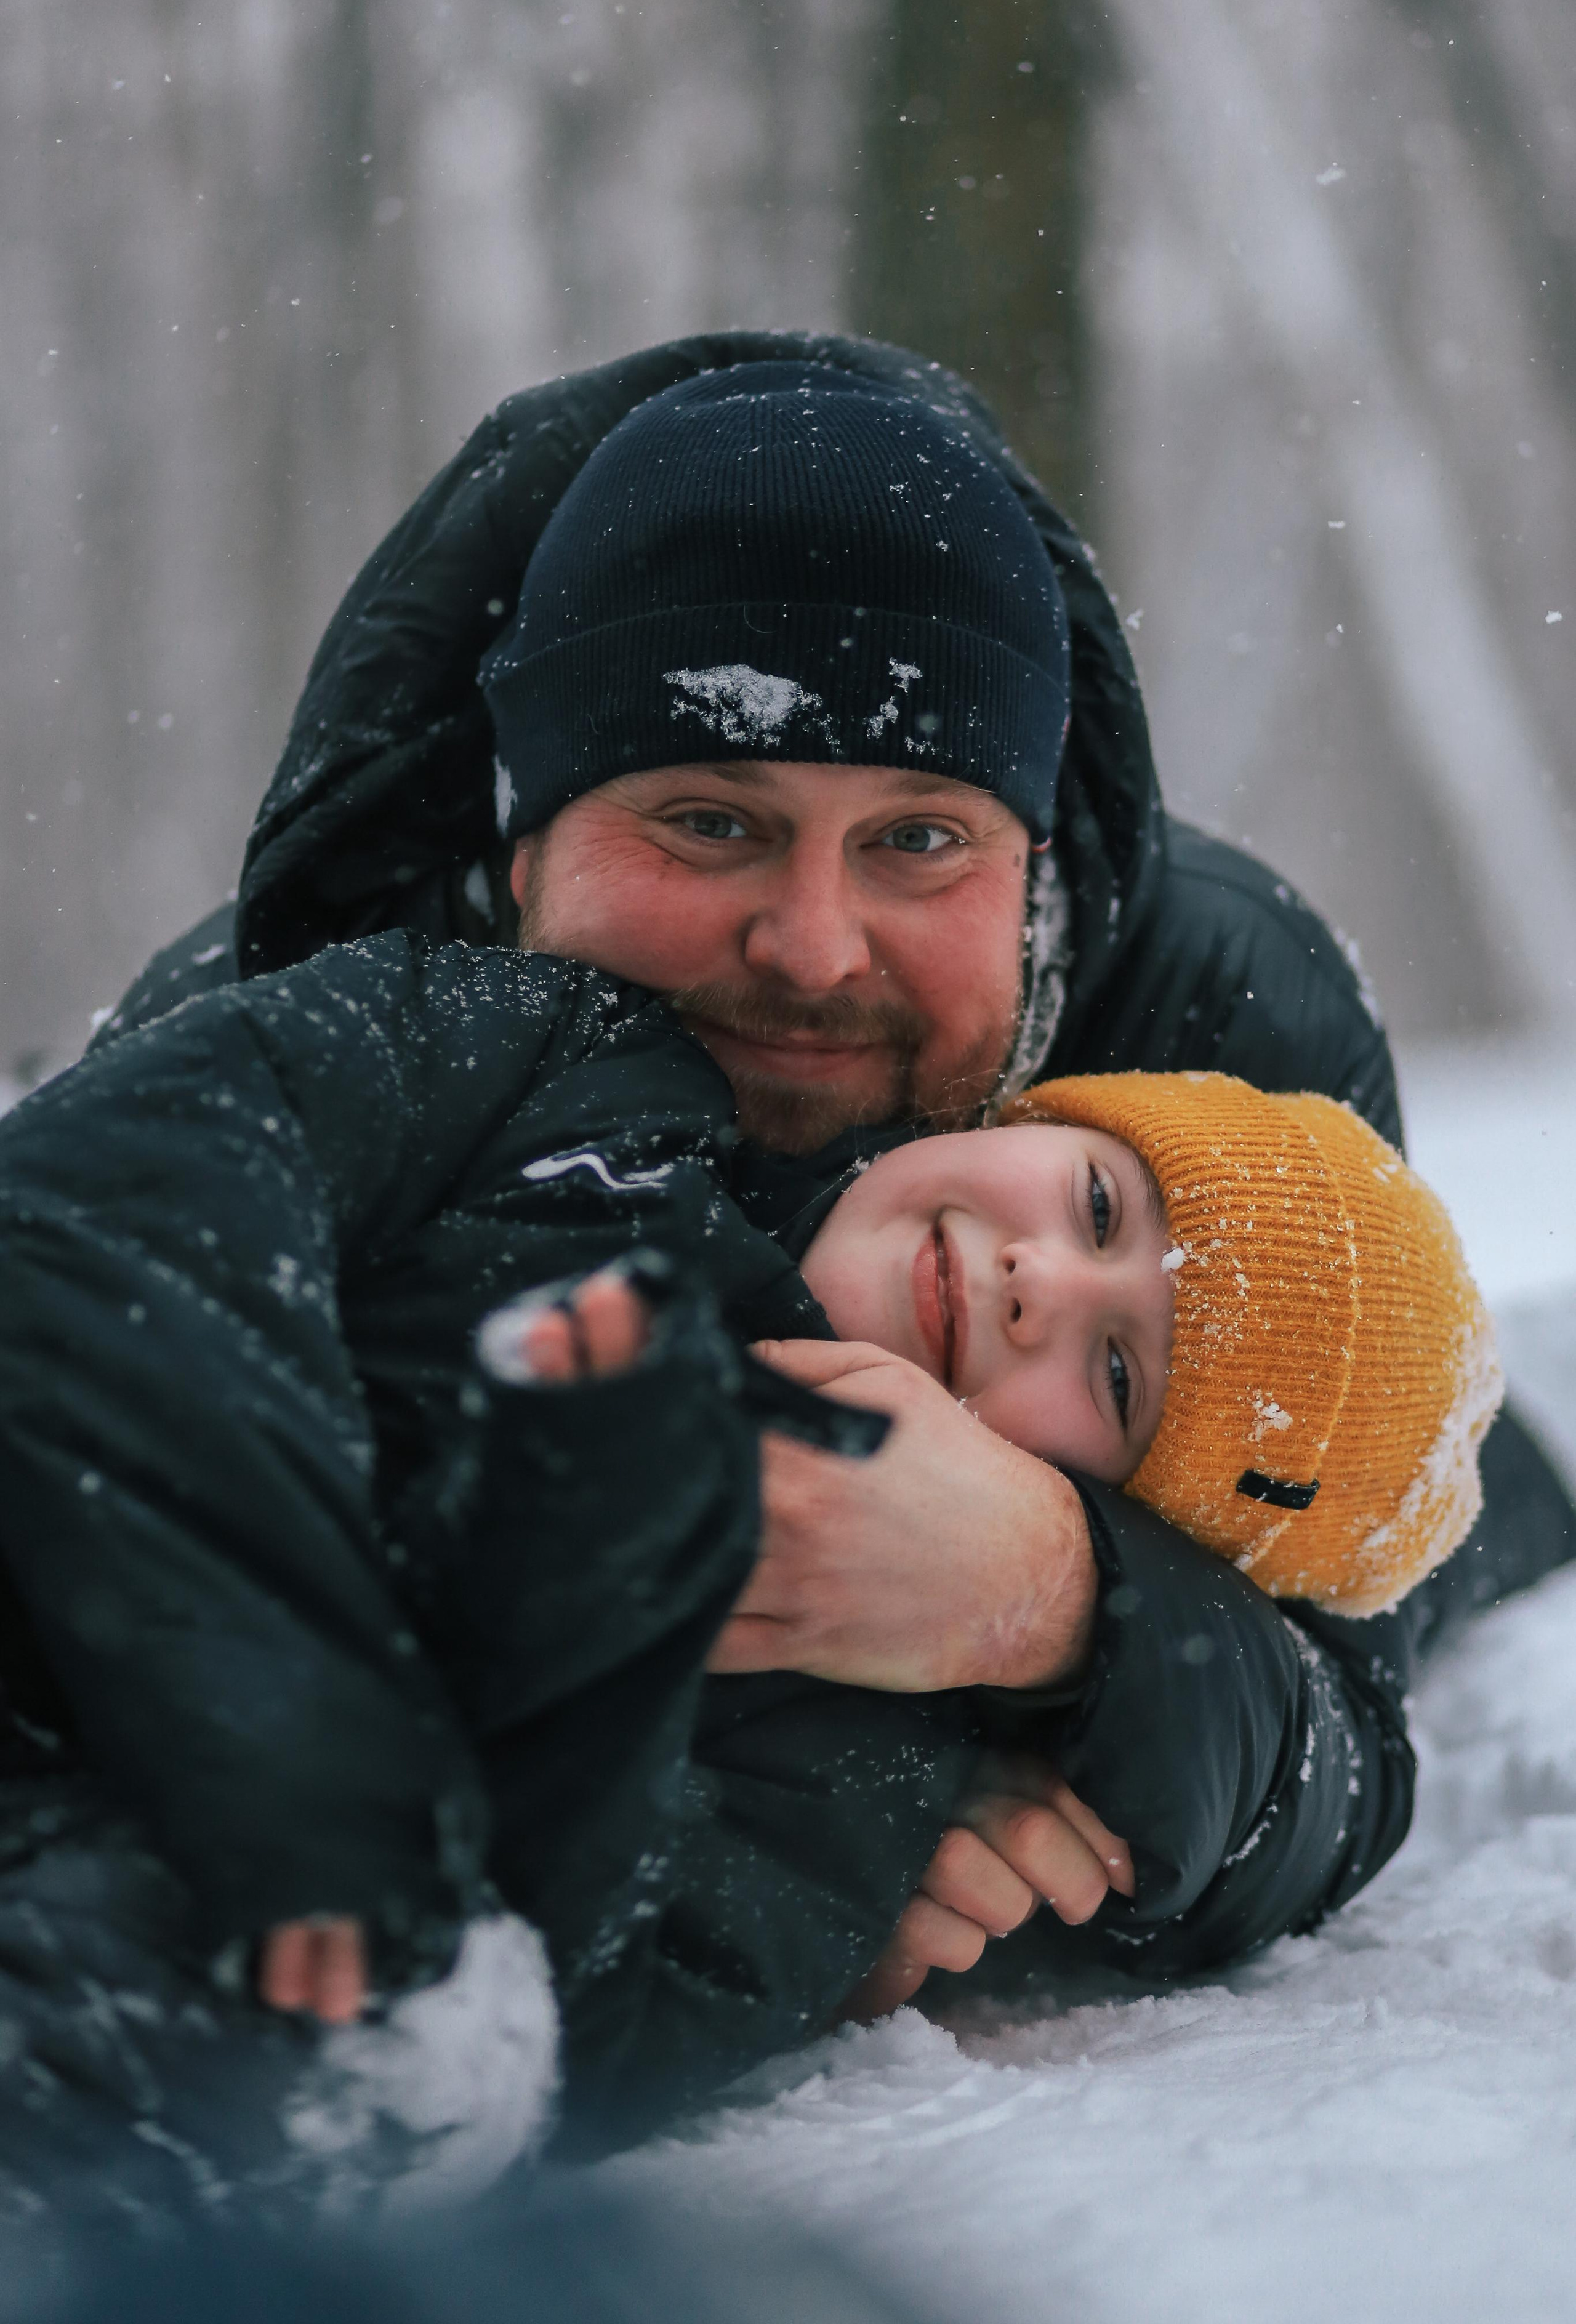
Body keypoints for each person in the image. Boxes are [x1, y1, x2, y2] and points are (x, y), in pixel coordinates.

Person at [97, 339, 1575, 2064]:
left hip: (1464, 1475)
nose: (812, 946)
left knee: (1486, 1483)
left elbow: (1341, 1726)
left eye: (920, 841)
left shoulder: (1215, 1016)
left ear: (1031, 868)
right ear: (522, 852)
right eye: (710, 820)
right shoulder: (310, 1012)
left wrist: (1054, 1605)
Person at [0, 933, 1500, 2207]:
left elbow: (576, 2021)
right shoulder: (582, 1080)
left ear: (1109, 1510)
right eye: (1101, 1204)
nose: (1043, 1280)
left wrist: (589, 1610)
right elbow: (131, 1198)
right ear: (1031, 1111)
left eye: (1119, 1377)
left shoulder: (864, 1754)